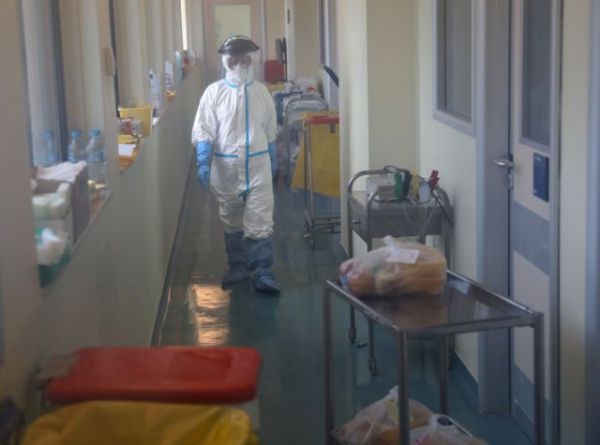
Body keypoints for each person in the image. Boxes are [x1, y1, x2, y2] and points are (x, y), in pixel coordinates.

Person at [191, 35, 280, 294]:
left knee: (260, 217)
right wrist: (203, 160)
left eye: (243, 57)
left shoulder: (261, 92)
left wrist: (273, 156)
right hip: (226, 168)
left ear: (251, 60)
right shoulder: (214, 93)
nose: (239, 61)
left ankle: (262, 270)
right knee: (231, 217)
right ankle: (238, 266)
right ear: (225, 60)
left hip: (258, 166)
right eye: (234, 57)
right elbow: (204, 128)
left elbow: (270, 129)